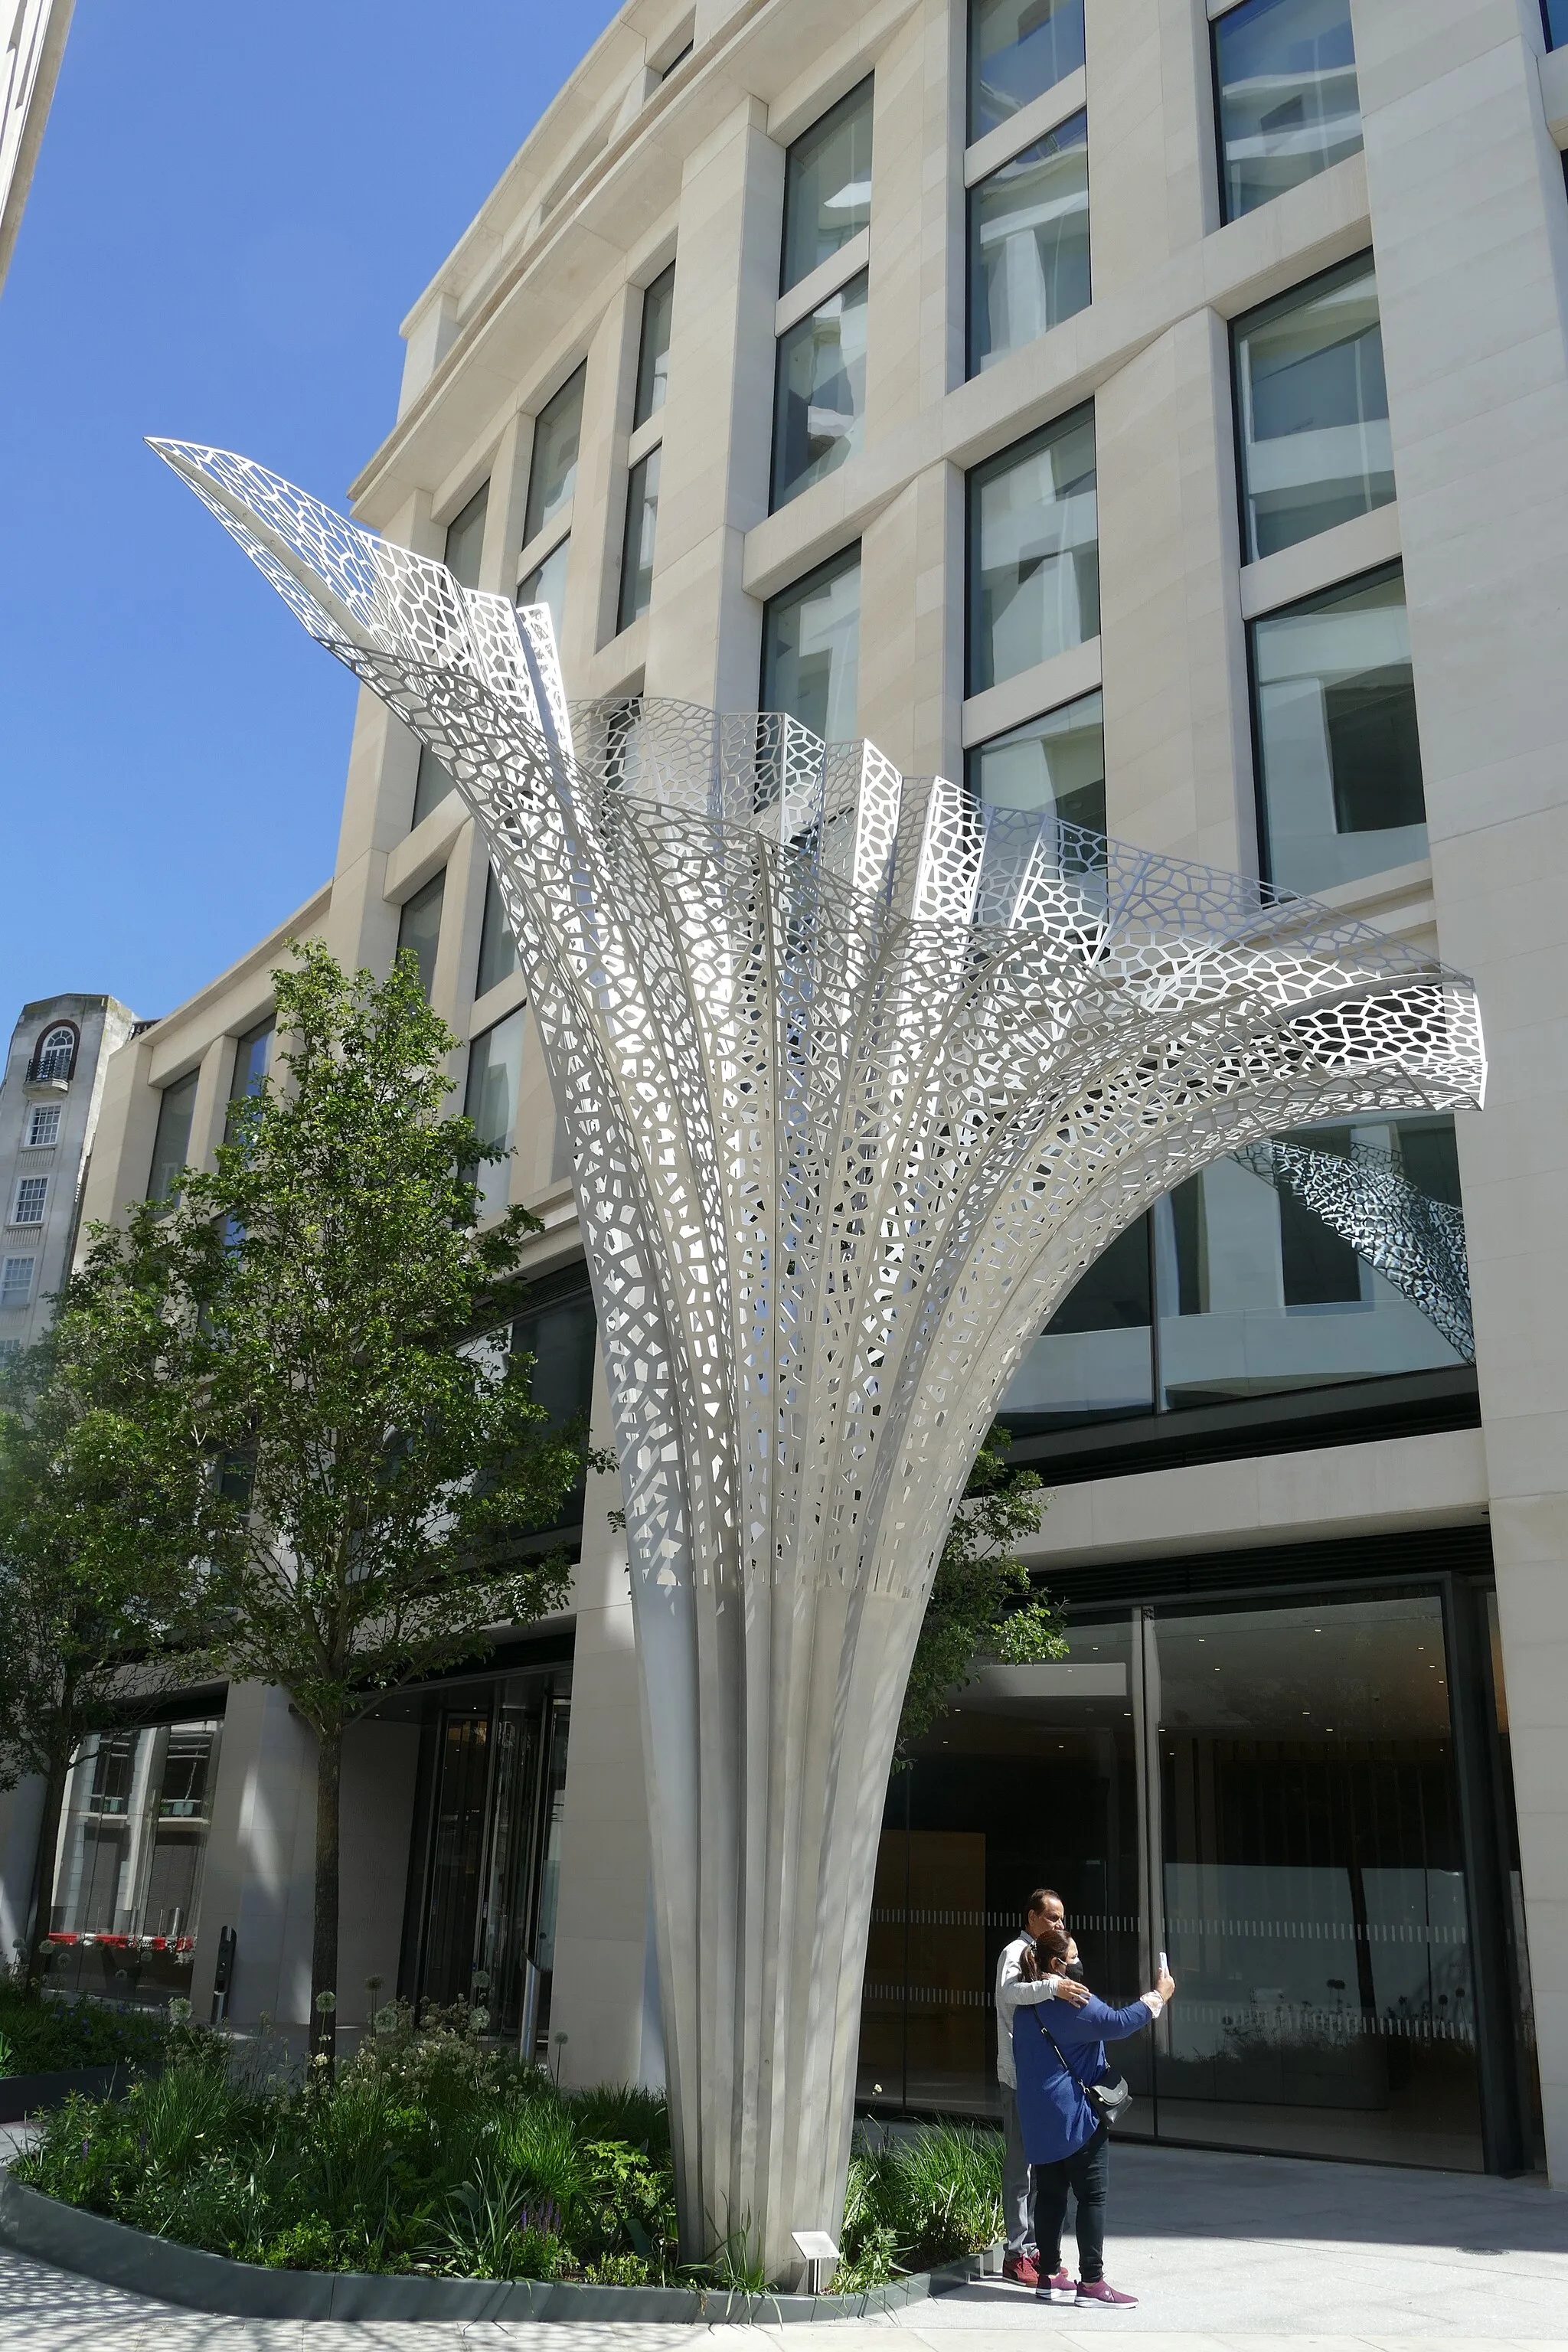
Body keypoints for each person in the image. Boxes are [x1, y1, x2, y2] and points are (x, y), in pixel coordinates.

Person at [1012, 1921, 1175, 2309]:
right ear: (1057, 1964)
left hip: (1039, 2119)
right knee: (1092, 2196)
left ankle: (1049, 2277)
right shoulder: (1074, 2003)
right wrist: (1159, 1996)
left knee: (1050, 2195)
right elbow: (1119, 2024)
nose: (1079, 1962)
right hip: (1077, 2119)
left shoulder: (1026, 2006)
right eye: (1073, 1957)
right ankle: (1092, 2282)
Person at [994, 1887, 1091, 2286]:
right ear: (1031, 1917)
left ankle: (1039, 2249)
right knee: (1020, 2168)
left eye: (1062, 1918)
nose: (1059, 1924)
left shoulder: (1050, 1956)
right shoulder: (1015, 1953)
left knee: (1045, 2167)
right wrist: (1054, 1987)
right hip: (1018, 2078)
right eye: (1052, 1918)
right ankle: (1016, 2253)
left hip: (1045, 2081)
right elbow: (1009, 1992)